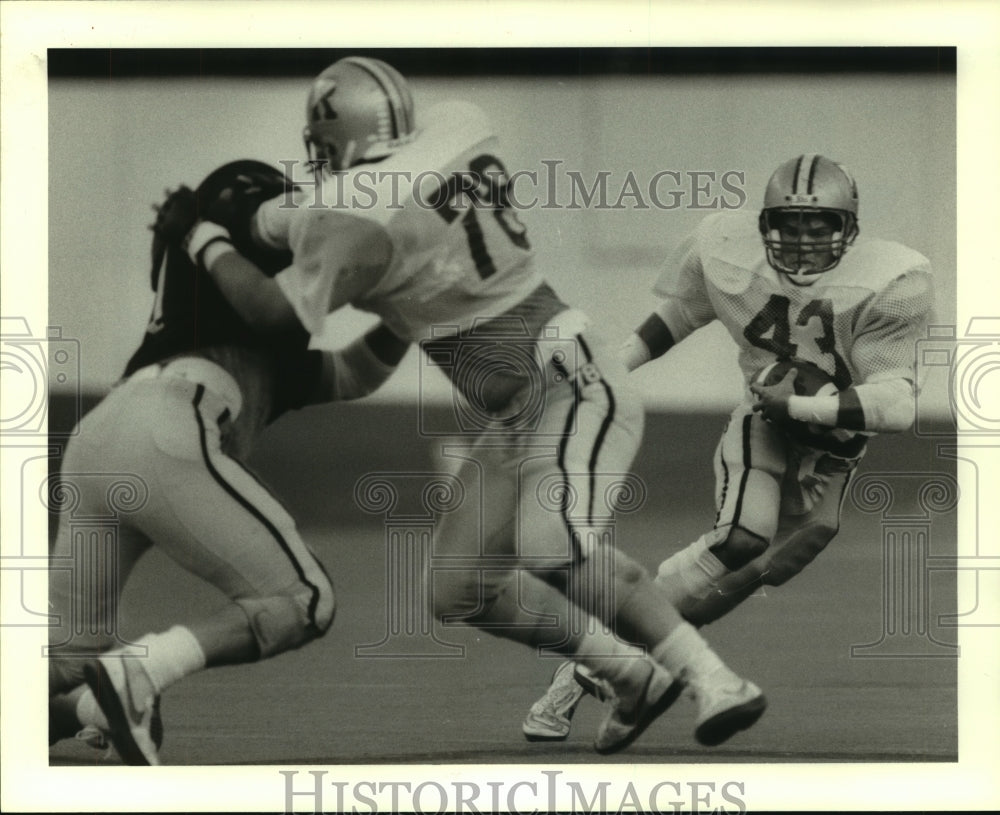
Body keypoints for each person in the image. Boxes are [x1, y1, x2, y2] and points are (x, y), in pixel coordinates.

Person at [200, 56, 767, 754]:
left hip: (571, 384)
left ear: (336, 138)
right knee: (458, 587)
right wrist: (275, 215)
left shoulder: (359, 216)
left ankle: (715, 680)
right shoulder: (458, 125)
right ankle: (630, 676)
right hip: (523, 408)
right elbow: (341, 204)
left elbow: (273, 307)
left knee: (552, 541)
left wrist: (207, 237)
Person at [523, 153, 936, 739]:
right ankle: (605, 665)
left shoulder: (892, 279)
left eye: (818, 226)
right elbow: (680, 314)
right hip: (763, 423)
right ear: (765, 222)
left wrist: (802, 406)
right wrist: (611, 369)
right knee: (744, 536)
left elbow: (896, 405)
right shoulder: (723, 246)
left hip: (835, 445)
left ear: (849, 227)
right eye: (789, 224)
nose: (801, 240)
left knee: (755, 570)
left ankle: (607, 668)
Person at [48, 160, 409, 765]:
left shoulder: (231, 318)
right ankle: (140, 673)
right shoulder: (244, 220)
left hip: (99, 438)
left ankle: (93, 705)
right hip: (167, 424)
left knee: (65, 658)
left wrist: (407, 316)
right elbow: (272, 216)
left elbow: (353, 373)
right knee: (303, 598)